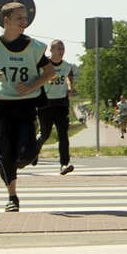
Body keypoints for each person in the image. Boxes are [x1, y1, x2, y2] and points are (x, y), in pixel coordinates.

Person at [0, 2, 56, 211]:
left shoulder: (34, 47)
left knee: (26, 153)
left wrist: (31, 86)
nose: (24, 21)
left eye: (25, 18)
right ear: (6, 20)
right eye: (19, 18)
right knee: (4, 153)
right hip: (2, 105)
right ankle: (12, 196)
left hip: (27, 105)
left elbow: (50, 73)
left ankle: (26, 156)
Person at [34, 39, 77, 175]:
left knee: (62, 133)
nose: (61, 51)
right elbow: (34, 79)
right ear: (51, 50)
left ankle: (64, 163)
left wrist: (70, 87)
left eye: (62, 48)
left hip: (61, 103)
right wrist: (46, 79)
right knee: (44, 134)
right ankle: (33, 152)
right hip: (45, 102)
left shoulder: (67, 66)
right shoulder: (43, 65)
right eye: (58, 48)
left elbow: (69, 77)